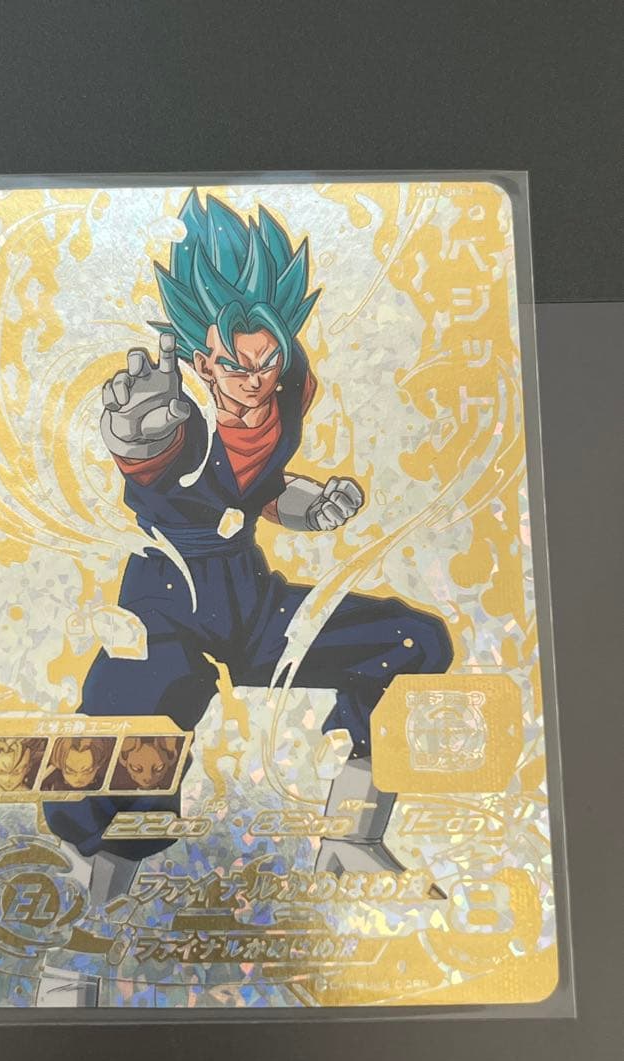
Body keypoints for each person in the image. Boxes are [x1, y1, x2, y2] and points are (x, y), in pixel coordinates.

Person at [44, 191, 453, 870]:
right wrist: (136, 442)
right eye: (236, 365)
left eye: (267, 361)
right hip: (168, 604)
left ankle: (353, 832)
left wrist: (311, 506)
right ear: (202, 362)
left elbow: (260, 489)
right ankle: (93, 869)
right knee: (131, 732)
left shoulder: (288, 392)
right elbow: (157, 467)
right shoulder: (175, 417)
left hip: (250, 603)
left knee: (412, 641)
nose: (255, 380)